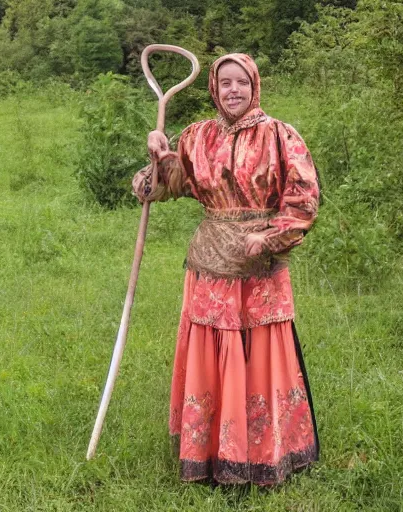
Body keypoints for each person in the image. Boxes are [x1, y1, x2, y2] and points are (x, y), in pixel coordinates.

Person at [133, 53, 320, 486]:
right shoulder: (198, 136)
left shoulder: (279, 136)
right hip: (210, 266)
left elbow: (304, 198)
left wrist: (270, 237)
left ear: (254, 86)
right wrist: (160, 158)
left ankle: (265, 452)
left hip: (259, 269)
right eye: (225, 83)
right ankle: (213, 455)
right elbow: (160, 188)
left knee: (259, 356)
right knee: (214, 355)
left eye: (241, 82)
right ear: (214, 89)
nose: (233, 90)